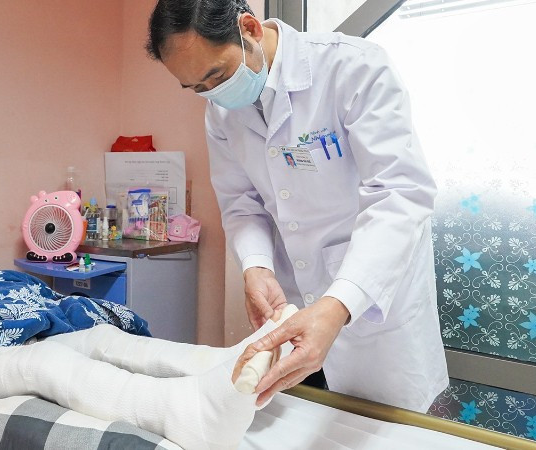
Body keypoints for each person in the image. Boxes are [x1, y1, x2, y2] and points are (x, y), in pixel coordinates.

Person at [145, 0, 448, 412]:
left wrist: (339, 304)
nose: (213, 93)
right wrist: (256, 266)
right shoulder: (220, 111)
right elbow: (240, 202)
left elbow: (401, 192)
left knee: (385, 428)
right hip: (293, 300)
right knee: (300, 418)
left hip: (372, 298)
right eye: (197, 88)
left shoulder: (353, 68)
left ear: (250, 28)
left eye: (217, 75)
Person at [0, 305, 298, 450]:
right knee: (41, 363)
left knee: (103, 337)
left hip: (15, 328)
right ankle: (188, 411)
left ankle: (218, 360)